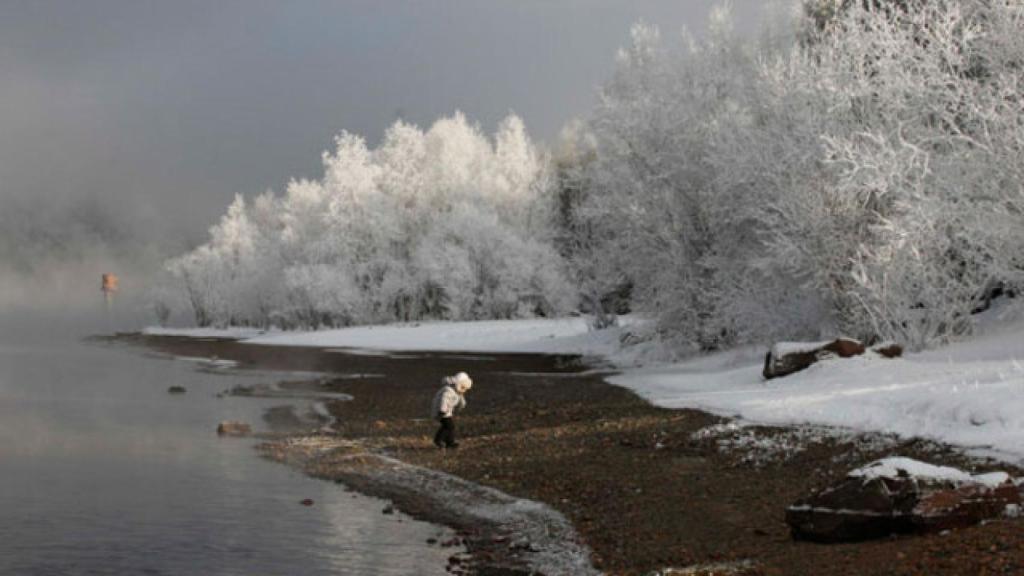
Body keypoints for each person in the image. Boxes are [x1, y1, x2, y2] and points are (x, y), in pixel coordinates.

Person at [431, 372, 472, 449]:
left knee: (450, 426)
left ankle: (450, 442)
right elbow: (444, 400)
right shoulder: (448, 391)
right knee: (449, 426)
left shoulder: (456, 391)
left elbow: (460, 399)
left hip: (446, 411)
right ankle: (439, 440)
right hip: (441, 411)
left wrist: (462, 405)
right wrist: (442, 410)